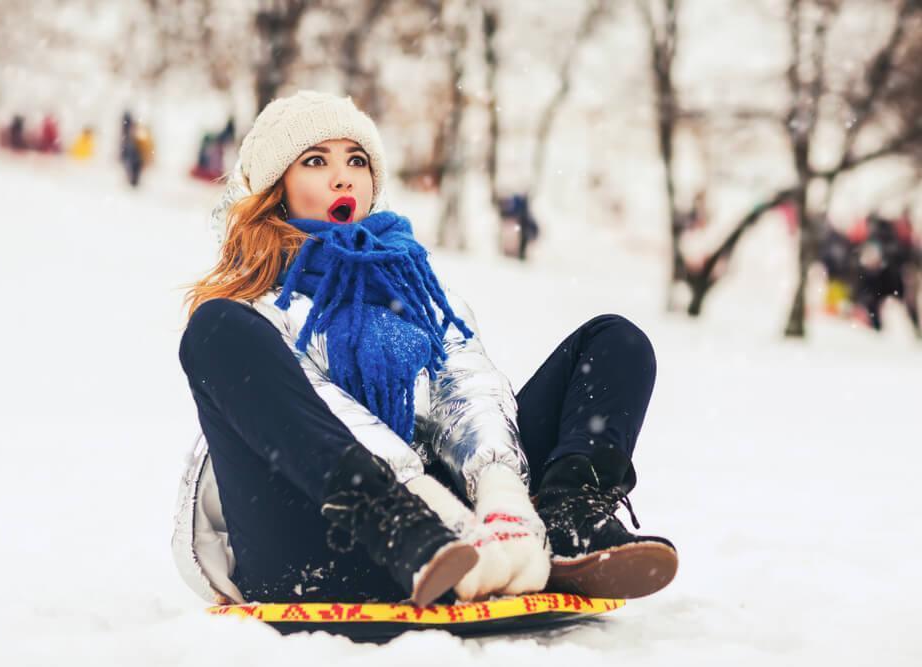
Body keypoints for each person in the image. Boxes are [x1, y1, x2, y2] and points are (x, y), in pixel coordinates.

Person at [173, 90, 678, 608]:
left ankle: (562, 523)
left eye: (357, 160)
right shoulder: (251, 309)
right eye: (316, 161)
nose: (343, 176)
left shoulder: (414, 288)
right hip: (320, 541)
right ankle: (402, 522)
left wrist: (502, 493)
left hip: (457, 547)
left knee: (614, 343)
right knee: (214, 329)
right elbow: (320, 408)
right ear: (276, 188)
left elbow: (466, 391)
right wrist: (419, 498)